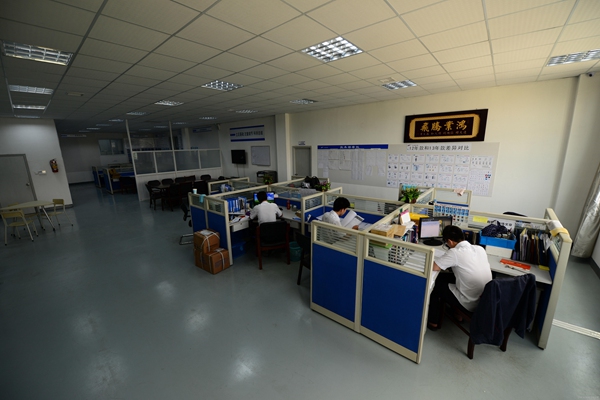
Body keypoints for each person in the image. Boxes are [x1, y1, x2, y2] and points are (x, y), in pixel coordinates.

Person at [427, 225, 492, 330]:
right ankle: (457, 315)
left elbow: (434, 267)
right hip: (484, 300)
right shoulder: (480, 249)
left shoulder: (455, 252)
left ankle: (433, 322)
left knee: (436, 286)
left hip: (470, 302)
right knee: (448, 277)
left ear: (450, 241)